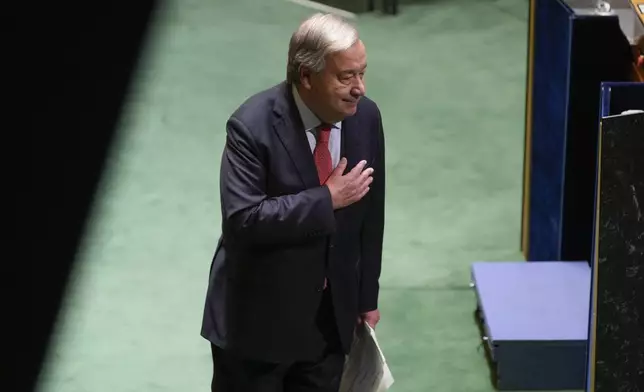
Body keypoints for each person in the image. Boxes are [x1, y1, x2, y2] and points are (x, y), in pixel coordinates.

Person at [200, 12, 386, 392]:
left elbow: (370, 217)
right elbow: (243, 219)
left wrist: (366, 296)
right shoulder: (252, 127)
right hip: (257, 327)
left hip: (328, 325)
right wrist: (327, 199)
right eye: (346, 76)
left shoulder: (365, 118)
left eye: (362, 73)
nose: (359, 88)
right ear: (306, 76)